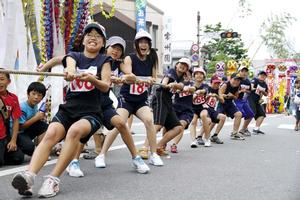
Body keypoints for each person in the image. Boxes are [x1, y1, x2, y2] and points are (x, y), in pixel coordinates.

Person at [12, 22, 111, 198]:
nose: (93, 38)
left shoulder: (104, 61)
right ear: (84, 40)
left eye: (97, 35)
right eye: (89, 34)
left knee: (74, 131)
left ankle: (53, 180)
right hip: (68, 110)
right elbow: (68, 64)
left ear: (103, 43)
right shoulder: (73, 56)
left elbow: (105, 86)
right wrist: (68, 71)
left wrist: (92, 79)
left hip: (91, 113)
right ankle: (29, 176)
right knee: (51, 134)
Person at [67, 35, 149, 176]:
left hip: (104, 102)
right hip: (87, 103)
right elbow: (62, 60)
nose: (116, 51)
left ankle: (136, 158)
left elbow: (132, 76)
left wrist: (123, 78)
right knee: (84, 134)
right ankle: (74, 163)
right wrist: (46, 66)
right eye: (113, 47)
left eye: (119, 49)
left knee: (121, 124)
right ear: (106, 47)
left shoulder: (118, 64)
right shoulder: (93, 58)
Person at [94, 30, 163, 167]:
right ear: (136, 44)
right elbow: (128, 75)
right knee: (119, 123)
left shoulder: (153, 59)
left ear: (149, 45)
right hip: (126, 98)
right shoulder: (129, 58)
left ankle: (153, 154)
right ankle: (101, 155)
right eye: (141, 42)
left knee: (149, 120)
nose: (143, 45)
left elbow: (154, 77)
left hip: (141, 99)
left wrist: (151, 80)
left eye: (146, 42)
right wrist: (136, 79)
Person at [147, 58, 189, 155]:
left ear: (187, 69)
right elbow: (165, 81)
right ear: (177, 65)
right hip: (160, 97)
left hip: (169, 101)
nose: (183, 66)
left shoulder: (183, 78)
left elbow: (182, 86)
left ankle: (158, 146)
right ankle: (145, 147)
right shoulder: (171, 71)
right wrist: (165, 84)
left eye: (185, 65)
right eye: (181, 64)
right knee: (158, 125)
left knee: (178, 128)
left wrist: (175, 85)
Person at [17, 82, 48, 157]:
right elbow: (20, 127)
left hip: (26, 131)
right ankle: (22, 148)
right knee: (29, 148)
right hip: (17, 134)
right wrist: (36, 117)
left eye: (39, 95)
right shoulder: (22, 107)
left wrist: (41, 117)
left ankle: (41, 151)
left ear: (42, 98)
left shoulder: (35, 105)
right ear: (28, 94)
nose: (36, 97)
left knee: (45, 126)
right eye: (33, 94)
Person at [0, 69, 24, 167]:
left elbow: (16, 120)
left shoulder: (13, 98)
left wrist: (13, 141)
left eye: (1, 79)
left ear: (8, 82)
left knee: (18, 158)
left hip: (4, 136)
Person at [169, 71, 195, 153]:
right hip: (175, 108)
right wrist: (176, 88)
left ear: (190, 76)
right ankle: (163, 143)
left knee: (182, 125)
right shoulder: (177, 83)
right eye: (184, 75)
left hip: (187, 110)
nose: (186, 77)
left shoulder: (192, 84)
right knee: (167, 126)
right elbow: (172, 89)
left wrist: (186, 88)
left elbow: (193, 89)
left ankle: (174, 144)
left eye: (188, 75)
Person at [218, 73, 244, 140]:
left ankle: (234, 133)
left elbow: (236, 98)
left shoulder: (238, 87)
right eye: (235, 79)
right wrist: (225, 96)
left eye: (238, 80)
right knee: (216, 119)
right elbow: (219, 94)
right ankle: (207, 135)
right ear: (230, 79)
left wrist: (232, 96)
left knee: (239, 114)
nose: (236, 82)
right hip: (222, 103)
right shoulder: (225, 85)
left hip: (229, 103)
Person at [202, 75, 226, 145]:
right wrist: (207, 96)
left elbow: (222, 101)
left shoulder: (218, 90)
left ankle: (215, 136)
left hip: (212, 110)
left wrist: (216, 96)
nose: (216, 85)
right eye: (215, 83)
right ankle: (199, 136)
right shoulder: (207, 88)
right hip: (204, 108)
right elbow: (200, 100)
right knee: (208, 120)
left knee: (223, 117)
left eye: (218, 83)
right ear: (211, 82)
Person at [189, 67, 209, 147]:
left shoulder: (205, 86)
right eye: (196, 74)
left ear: (204, 76)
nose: (199, 75)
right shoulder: (190, 86)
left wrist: (199, 91)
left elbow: (204, 91)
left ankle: (207, 138)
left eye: (201, 74)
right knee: (193, 122)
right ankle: (193, 141)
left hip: (202, 107)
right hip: (193, 107)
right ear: (194, 76)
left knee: (204, 116)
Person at [235, 66, 254, 137]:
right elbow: (233, 90)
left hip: (245, 100)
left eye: (245, 71)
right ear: (239, 72)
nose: (244, 73)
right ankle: (235, 132)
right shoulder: (237, 80)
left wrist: (246, 91)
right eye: (242, 71)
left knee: (250, 114)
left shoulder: (248, 81)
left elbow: (250, 91)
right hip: (237, 100)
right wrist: (240, 91)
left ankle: (243, 129)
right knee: (239, 114)